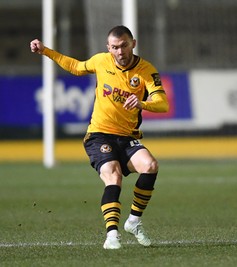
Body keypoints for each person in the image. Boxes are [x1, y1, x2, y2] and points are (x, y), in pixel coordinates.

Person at [30, 25, 169, 249]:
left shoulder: (146, 71)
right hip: (99, 135)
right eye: (115, 47)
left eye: (124, 45)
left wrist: (143, 103)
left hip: (126, 136)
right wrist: (46, 50)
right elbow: (75, 67)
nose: (120, 52)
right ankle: (111, 235)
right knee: (113, 175)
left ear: (133, 43)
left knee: (151, 165)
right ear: (108, 48)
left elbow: (162, 103)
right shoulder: (101, 61)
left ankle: (133, 221)